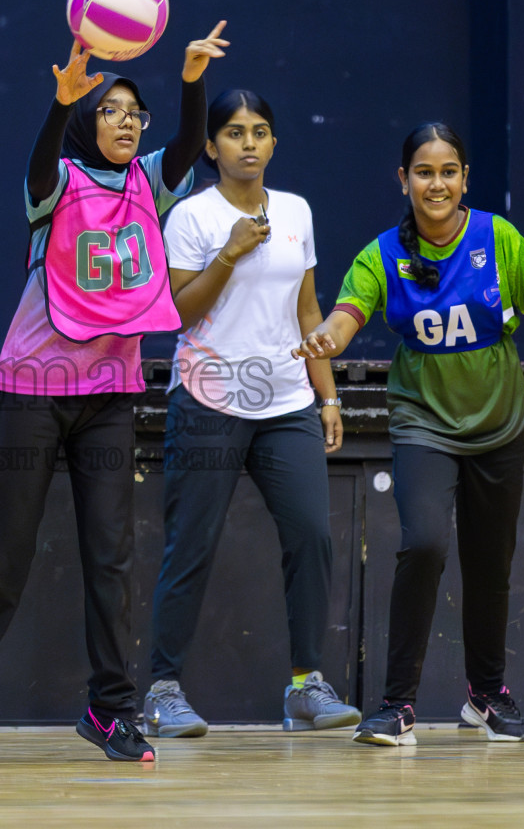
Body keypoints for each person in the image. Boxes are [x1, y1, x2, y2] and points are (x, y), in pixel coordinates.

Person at [295, 121, 524, 747]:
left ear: (465, 178)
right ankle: (397, 705)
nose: (436, 183)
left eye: (448, 171)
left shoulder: (499, 239)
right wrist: (328, 339)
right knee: (424, 545)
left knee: (490, 563)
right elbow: (346, 314)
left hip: (498, 425)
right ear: (404, 180)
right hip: (423, 422)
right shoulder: (381, 253)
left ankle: (486, 696)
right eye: (424, 172)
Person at [0, 22, 230, 763]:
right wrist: (60, 103)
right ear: (86, 124)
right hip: (33, 387)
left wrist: (192, 82)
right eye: (110, 111)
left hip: (110, 394)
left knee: (111, 558)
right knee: (5, 555)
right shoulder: (57, 182)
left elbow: (188, 147)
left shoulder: (148, 182)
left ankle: (110, 710)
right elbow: (38, 167)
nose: (126, 122)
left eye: (135, 113)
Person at [143, 88, 358, 738]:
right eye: (235, 133)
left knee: (312, 536)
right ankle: (162, 691)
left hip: (288, 402)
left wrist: (327, 396)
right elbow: (178, 314)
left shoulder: (296, 210)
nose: (249, 143)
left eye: (259, 131)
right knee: (191, 544)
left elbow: (308, 310)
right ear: (211, 147)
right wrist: (229, 252)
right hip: (207, 399)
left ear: (273, 143)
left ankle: (305, 686)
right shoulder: (192, 216)